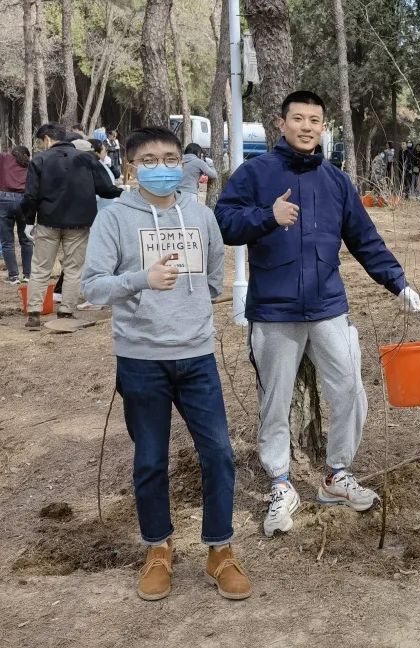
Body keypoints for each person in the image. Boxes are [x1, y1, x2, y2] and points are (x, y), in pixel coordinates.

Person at [214, 90, 420, 537]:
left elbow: (364, 238)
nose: (307, 127)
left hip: (329, 307)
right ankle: (281, 485)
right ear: (281, 123)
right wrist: (267, 217)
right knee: (275, 401)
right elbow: (225, 223)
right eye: (298, 119)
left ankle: (336, 476)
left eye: (315, 120)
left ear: (323, 127)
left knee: (350, 388)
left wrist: (396, 280)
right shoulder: (255, 173)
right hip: (274, 312)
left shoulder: (336, 181)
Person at [81, 126, 251, 602]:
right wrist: (140, 280)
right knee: (150, 460)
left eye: (171, 156)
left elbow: (216, 271)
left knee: (218, 453)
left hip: (196, 355)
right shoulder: (114, 219)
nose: (162, 166)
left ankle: (221, 550)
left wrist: (193, 307)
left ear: (184, 162)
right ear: (132, 168)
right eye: (150, 159)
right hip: (140, 359)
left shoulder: (200, 215)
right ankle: (158, 548)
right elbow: (92, 287)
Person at [21, 123, 122, 329]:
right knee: (74, 269)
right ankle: (67, 311)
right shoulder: (86, 159)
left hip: (48, 221)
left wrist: (29, 221)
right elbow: (105, 189)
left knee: (41, 268)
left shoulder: (40, 160)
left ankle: (34, 313)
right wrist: (124, 193)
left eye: (42, 142)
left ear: (47, 139)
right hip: (80, 223)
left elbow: (30, 195)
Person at [0, 145, 31, 285]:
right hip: (24, 200)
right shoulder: (30, 164)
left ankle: (13, 276)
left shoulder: (5, 158)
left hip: (4, 199)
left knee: (7, 241)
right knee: (26, 239)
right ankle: (28, 274)